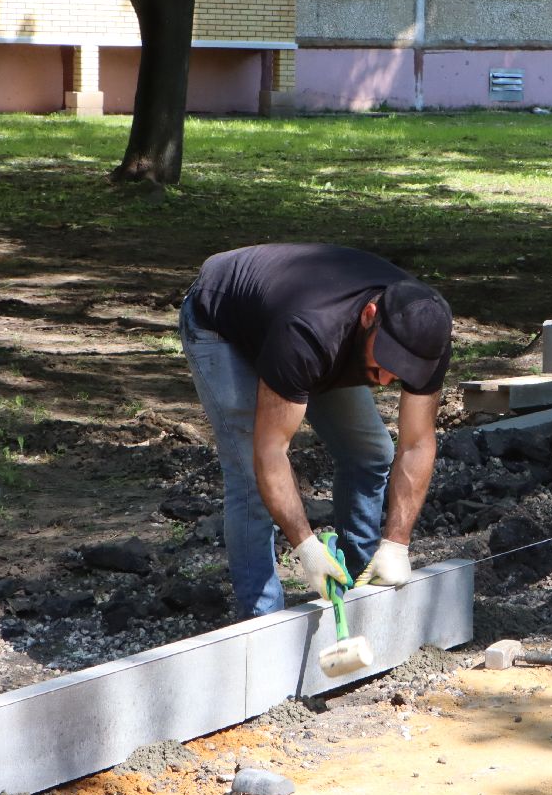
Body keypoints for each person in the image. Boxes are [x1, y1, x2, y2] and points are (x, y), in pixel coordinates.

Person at [178, 243, 454, 618]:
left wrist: (397, 544)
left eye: (404, 369)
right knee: (248, 476)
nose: (388, 379)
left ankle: (361, 584)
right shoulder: (308, 331)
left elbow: (417, 443)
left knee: (371, 453)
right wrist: (306, 547)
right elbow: (270, 453)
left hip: (304, 335)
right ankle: (263, 622)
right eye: (388, 360)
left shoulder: (427, 336)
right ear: (370, 316)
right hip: (223, 321)